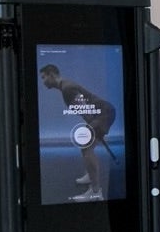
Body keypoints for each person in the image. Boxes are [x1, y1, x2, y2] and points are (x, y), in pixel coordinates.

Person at [39, 63, 116, 202]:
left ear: (52, 75)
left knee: (87, 148)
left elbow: (86, 109)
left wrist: (94, 127)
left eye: (44, 77)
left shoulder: (67, 88)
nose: (43, 81)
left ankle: (95, 192)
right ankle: (90, 175)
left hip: (103, 114)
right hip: (102, 113)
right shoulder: (66, 86)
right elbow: (85, 110)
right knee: (85, 146)